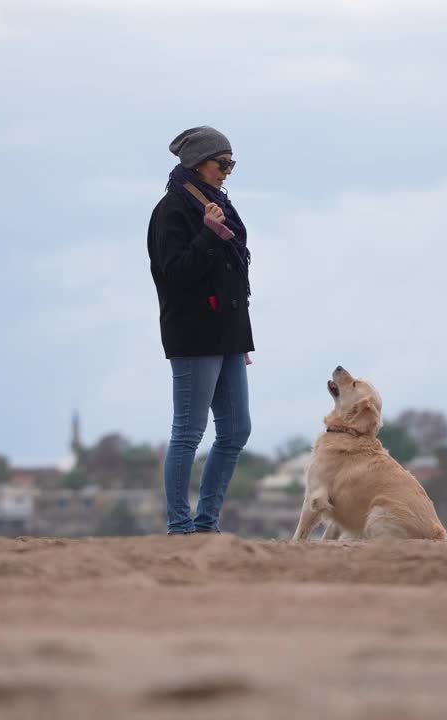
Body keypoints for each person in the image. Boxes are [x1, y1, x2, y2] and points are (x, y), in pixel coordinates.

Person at [146, 126, 254, 534]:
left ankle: (206, 522)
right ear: (197, 164)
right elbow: (174, 275)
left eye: (232, 164)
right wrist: (208, 234)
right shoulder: (172, 210)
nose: (227, 172)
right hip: (193, 334)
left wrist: (241, 335)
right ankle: (181, 525)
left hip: (228, 333)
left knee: (237, 429)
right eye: (221, 164)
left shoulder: (216, 203)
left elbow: (232, 274)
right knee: (189, 432)